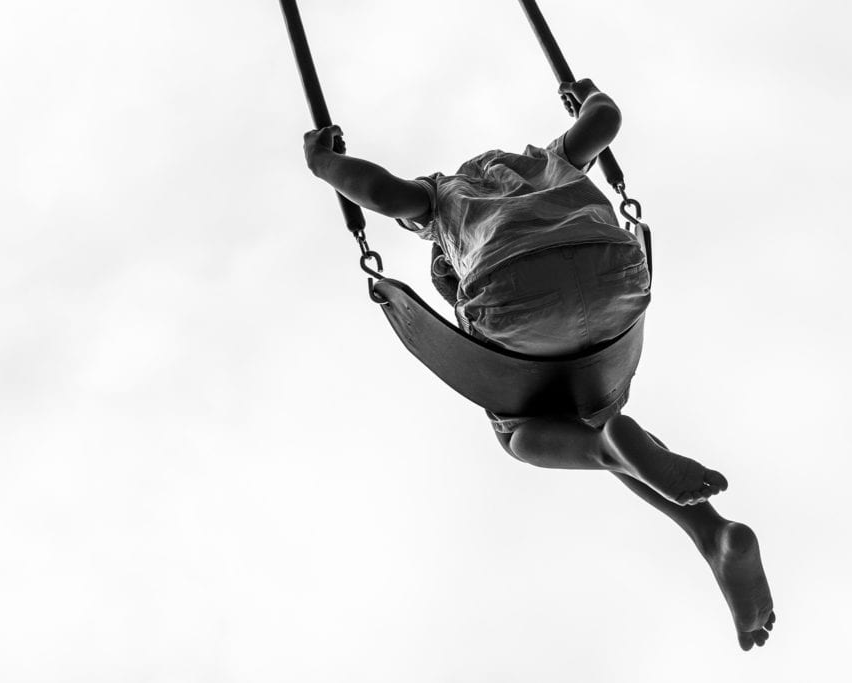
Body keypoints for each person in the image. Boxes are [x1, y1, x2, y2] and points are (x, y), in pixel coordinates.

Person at [302, 79, 775, 650]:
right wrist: (588, 96)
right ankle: (710, 532)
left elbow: (379, 192)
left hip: (512, 294)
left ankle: (613, 451)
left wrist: (325, 163)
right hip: (614, 280)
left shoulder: (440, 197)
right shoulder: (553, 160)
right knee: (596, 411)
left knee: (521, 436)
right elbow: (606, 121)